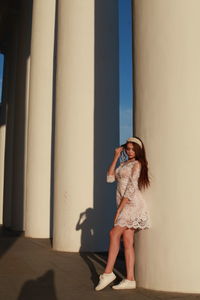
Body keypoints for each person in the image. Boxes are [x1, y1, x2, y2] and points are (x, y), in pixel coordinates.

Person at [95, 136, 151, 291]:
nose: (130, 151)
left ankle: (107, 273)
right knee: (127, 241)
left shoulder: (137, 164)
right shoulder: (123, 163)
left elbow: (132, 188)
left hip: (132, 204)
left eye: (133, 149)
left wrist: (120, 209)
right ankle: (130, 279)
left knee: (113, 233)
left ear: (138, 150)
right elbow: (109, 178)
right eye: (128, 148)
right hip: (123, 204)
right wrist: (116, 156)